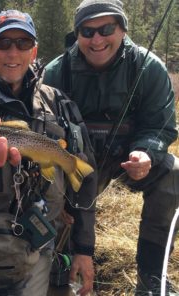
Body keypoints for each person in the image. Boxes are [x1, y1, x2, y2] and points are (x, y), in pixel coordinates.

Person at [0, 9, 96, 296]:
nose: (13, 52)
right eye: (2, 43)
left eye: (23, 44)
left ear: (34, 51)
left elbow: (85, 177)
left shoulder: (59, 104)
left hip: (43, 239)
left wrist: (84, 249)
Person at [44, 0, 179, 295]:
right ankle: (59, 264)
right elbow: (43, 131)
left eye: (106, 29)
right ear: (77, 33)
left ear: (123, 29)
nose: (97, 39)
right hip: (74, 166)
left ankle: (151, 275)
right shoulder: (56, 72)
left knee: (173, 173)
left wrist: (147, 151)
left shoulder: (149, 68)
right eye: (87, 31)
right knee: (45, 181)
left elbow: (161, 125)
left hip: (127, 164)